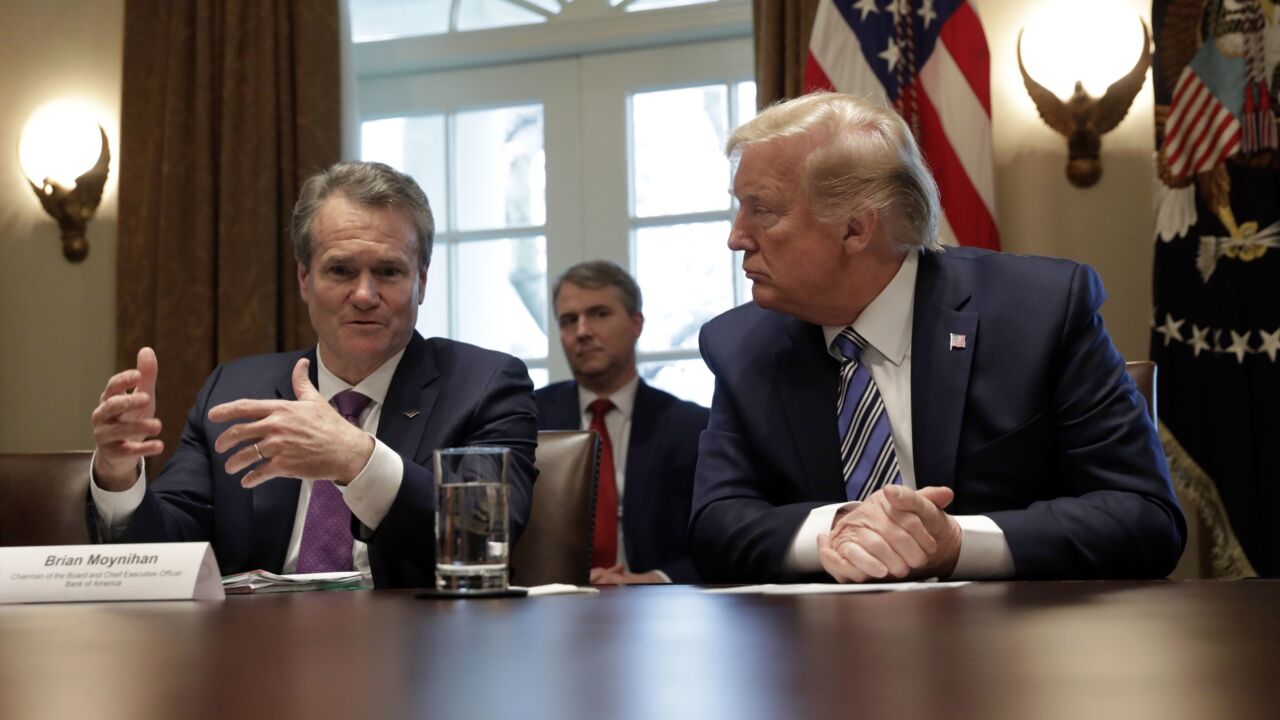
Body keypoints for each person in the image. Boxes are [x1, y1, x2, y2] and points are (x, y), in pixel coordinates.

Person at [691, 92, 1186, 583]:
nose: (736, 236)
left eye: (763, 210)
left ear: (855, 229)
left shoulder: (1039, 313)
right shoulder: (741, 346)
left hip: (1022, 645)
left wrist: (956, 543)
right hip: (825, 650)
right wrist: (841, 529)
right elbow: (715, 526)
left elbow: (1143, 517)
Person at [87, 161, 537, 589]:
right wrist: (119, 476)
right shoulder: (237, 392)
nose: (364, 295)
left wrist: (356, 458)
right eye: (340, 270)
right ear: (304, 279)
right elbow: (173, 548)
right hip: (258, 654)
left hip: (417, 653)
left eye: (389, 272)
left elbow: (482, 536)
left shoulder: (485, 386)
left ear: (422, 280)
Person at [537, 261, 708, 584]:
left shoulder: (691, 427)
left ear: (636, 323)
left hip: (653, 603)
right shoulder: (528, 418)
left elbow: (716, 542)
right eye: (569, 320)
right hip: (551, 600)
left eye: (599, 314)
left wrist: (653, 579)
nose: (583, 331)